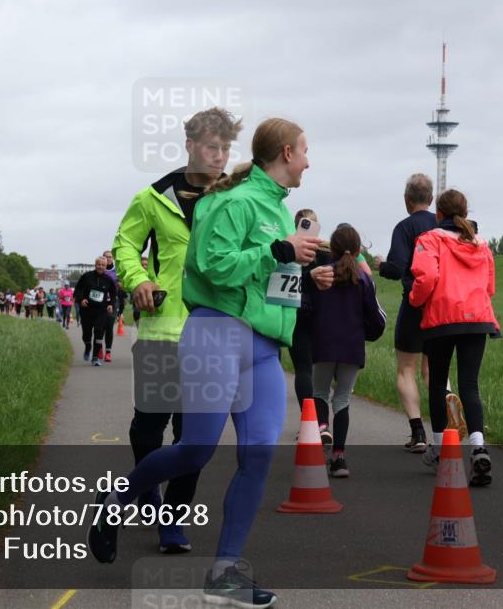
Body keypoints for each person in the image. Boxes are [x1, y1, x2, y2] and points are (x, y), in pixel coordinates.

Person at [90, 117, 331, 608]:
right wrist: (279, 251)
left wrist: (308, 279)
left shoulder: (282, 213)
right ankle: (116, 503)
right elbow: (214, 268)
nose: (310, 160)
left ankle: (224, 573)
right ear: (286, 152)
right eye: (306, 150)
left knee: (259, 457)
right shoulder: (230, 201)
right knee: (195, 449)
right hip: (212, 334)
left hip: (264, 349)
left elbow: (268, 282)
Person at [112, 106, 242, 554]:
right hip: (162, 330)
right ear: (189, 145)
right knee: (146, 429)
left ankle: (173, 521)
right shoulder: (153, 198)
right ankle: (146, 487)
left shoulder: (234, 200)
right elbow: (126, 245)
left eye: (226, 148)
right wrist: (138, 279)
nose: (220, 155)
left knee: (192, 436)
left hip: (211, 334)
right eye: (212, 146)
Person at [409, 189, 499, 487]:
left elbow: (427, 278)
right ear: (465, 211)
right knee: (470, 384)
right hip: (478, 318)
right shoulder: (480, 244)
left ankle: (440, 449)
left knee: (437, 382)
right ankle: (478, 447)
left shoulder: (429, 239)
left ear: (438, 213)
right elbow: (490, 287)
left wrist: (415, 300)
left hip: (442, 318)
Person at [309, 224, 387, 477]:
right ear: (357, 251)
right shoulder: (364, 280)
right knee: (342, 399)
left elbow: (308, 309)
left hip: (323, 344)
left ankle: (322, 428)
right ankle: (339, 459)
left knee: (319, 392)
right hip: (352, 348)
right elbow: (376, 318)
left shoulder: (321, 275)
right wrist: (370, 334)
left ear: (331, 249)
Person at [288, 211, 372, 443]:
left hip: (316, 332)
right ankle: (339, 454)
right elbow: (372, 308)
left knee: (314, 383)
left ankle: (319, 425)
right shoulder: (356, 275)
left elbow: (300, 298)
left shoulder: (308, 262)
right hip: (349, 341)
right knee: (343, 397)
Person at [376, 173, 438, 453]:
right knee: (435, 370)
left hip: (414, 304)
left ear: (407, 200)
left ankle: (418, 432)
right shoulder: (443, 224)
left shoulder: (404, 227)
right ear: (432, 198)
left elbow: (397, 267)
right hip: (444, 308)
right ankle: (447, 426)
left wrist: (381, 265)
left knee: (406, 369)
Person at [75, 257, 117, 366]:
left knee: (99, 333)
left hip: (101, 311)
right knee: (86, 334)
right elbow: (78, 290)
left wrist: (111, 305)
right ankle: (88, 346)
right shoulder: (86, 276)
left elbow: (113, 294)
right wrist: (81, 299)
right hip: (87, 310)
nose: (101, 267)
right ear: (95, 265)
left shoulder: (108, 280)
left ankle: (95, 358)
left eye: (103, 265)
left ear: (106, 266)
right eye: (99, 265)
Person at [102, 250, 120, 361]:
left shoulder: (117, 271)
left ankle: (108, 352)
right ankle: (99, 348)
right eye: (106, 257)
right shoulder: (99, 270)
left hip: (113, 302)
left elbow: (122, 286)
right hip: (99, 302)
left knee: (109, 326)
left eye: (110, 257)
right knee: (99, 327)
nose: (108, 259)